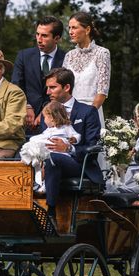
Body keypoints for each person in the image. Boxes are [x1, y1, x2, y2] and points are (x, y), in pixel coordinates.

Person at [42, 68, 103, 228]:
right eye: (47, 87)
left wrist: (68, 148)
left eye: (52, 87)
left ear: (66, 87)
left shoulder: (88, 111)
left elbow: (92, 147)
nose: (48, 91)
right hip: (49, 162)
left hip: (80, 164)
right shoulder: (47, 111)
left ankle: (50, 213)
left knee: (53, 159)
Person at [12, 16, 66, 134]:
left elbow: (65, 90)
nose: (39, 39)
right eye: (37, 34)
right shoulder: (23, 56)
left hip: (55, 120)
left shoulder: (66, 59)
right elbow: (16, 85)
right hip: (25, 119)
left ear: (56, 38)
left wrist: (46, 111)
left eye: (44, 36)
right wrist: (27, 106)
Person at [62, 11, 111, 127]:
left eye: (74, 28)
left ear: (87, 30)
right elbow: (62, 88)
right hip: (68, 114)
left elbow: (102, 91)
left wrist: (86, 116)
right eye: (69, 28)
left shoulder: (102, 53)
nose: (70, 32)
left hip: (92, 113)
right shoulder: (69, 56)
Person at [20, 100, 81, 191]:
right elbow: (42, 137)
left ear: (52, 118)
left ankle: (44, 185)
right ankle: (37, 182)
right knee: (40, 163)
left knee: (47, 166)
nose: (44, 120)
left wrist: (74, 139)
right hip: (48, 152)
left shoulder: (66, 127)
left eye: (45, 117)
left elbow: (77, 135)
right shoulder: (48, 130)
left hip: (61, 153)